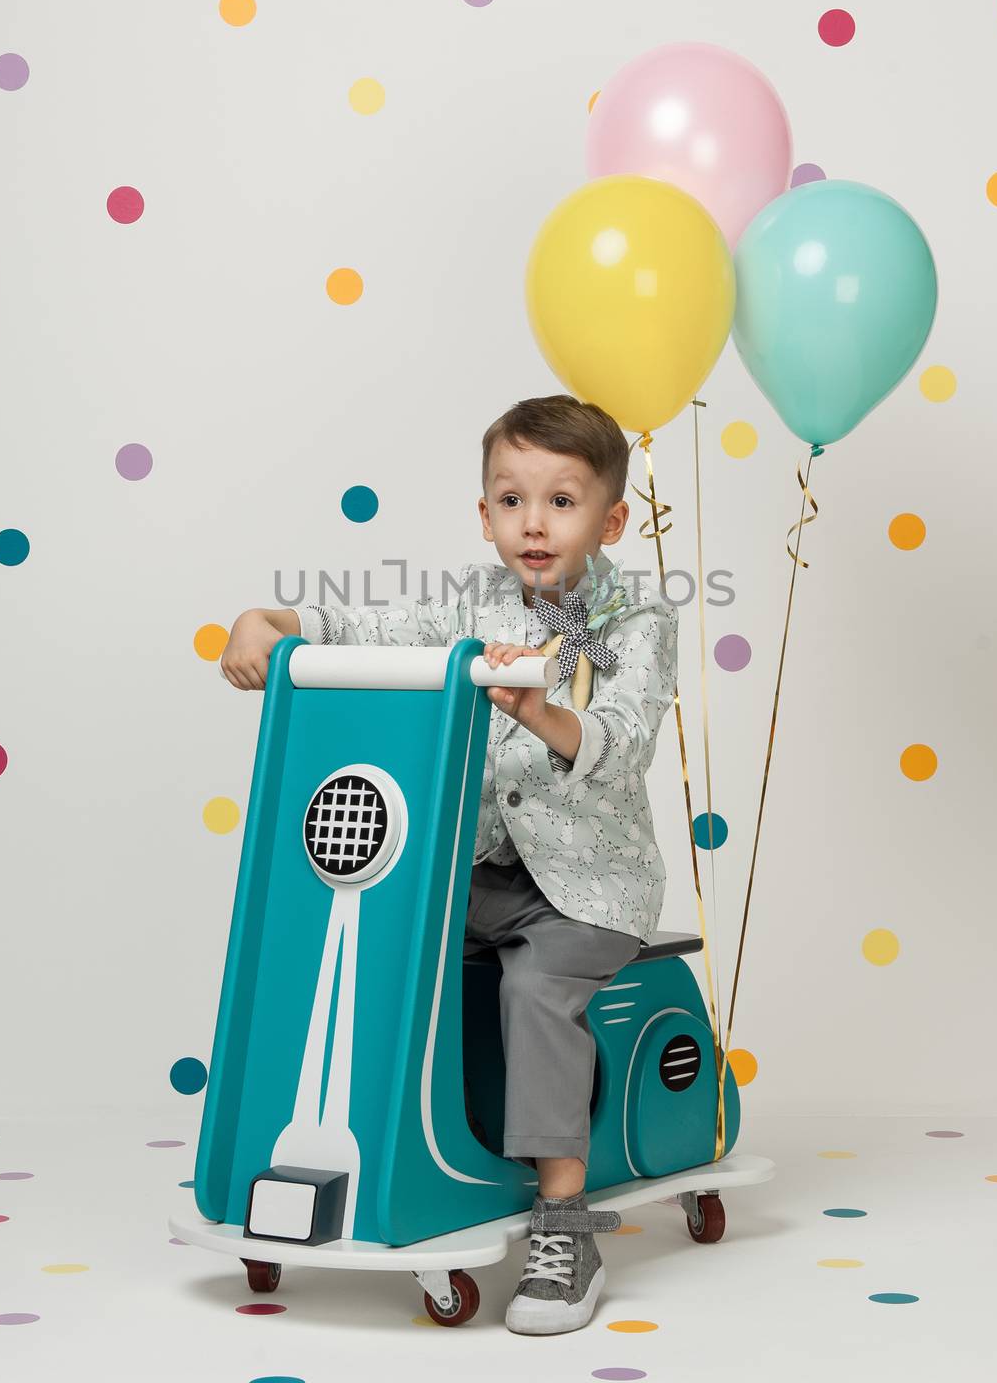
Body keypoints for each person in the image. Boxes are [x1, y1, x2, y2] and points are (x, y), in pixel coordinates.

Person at [220, 394, 678, 1336]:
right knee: (371, 938)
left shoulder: (633, 621)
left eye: (561, 501)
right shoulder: (468, 605)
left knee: (536, 991)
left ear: (611, 520)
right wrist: (263, 620)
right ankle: (374, 1154)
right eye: (511, 500)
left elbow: (620, 739)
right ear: (484, 516)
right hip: (475, 874)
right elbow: (360, 630)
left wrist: (533, 707)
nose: (534, 522)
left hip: (587, 887)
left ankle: (561, 1219)